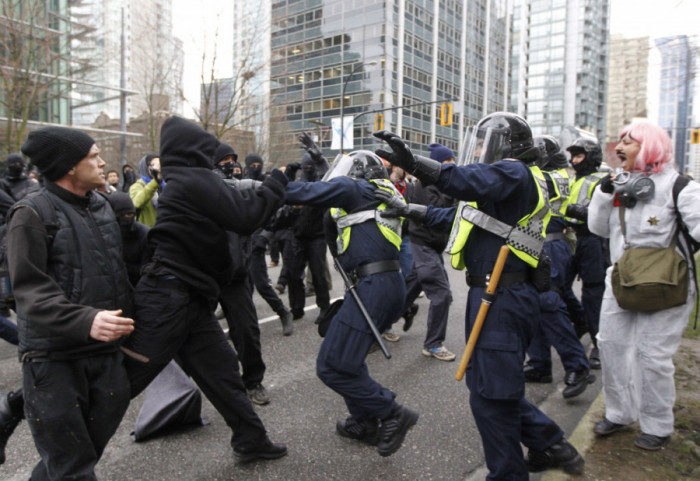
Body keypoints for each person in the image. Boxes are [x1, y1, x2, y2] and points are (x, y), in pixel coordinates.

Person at [374, 112, 584, 478]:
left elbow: (460, 180)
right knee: (490, 386)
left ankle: (509, 473)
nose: (481, 149)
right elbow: (461, 218)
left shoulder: (514, 172)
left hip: (502, 294)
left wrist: (413, 164)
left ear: (507, 145)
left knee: (491, 397)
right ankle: (549, 442)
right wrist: (409, 210)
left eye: (486, 142)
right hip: (494, 291)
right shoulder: (505, 185)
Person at [121, 116, 288, 463]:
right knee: (126, 378)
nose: (217, 161)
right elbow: (246, 216)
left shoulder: (184, 178)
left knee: (222, 368)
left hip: (189, 295)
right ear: (192, 150)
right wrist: (277, 183)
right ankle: (60, 462)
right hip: (169, 297)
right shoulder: (192, 179)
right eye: (207, 150)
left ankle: (251, 440)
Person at [6, 126, 135, 479]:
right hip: (53, 361)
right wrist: (85, 320)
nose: (103, 162)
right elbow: (29, 290)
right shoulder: (30, 214)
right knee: (72, 467)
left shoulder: (104, 206)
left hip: (106, 357)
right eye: (93, 156)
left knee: (73, 462)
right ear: (68, 166)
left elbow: (125, 266)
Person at [285, 149, 419, 457]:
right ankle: (364, 421)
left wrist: (263, 187)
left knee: (331, 365)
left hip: (374, 286)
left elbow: (306, 191)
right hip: (381, 285)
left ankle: (391, 412)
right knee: (350, 357)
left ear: (356, 173)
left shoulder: (356, 188)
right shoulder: (381, 193)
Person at [588, 120, 700, 450]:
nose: (620, 146)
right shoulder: (619, 183)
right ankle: (620, 412)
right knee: (610, 344)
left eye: (629, 141)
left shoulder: (681, 186)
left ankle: (657, 424)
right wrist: (604, 194)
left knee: (652, 356)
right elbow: (599, 229)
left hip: (668, 282)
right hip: (622, 279)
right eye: (620, 140)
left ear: (649, 146)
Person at [524, 136, 594, 399]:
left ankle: (578, 366)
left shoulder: (550, 177)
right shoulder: (549, 174)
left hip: (550, 247)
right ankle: (540, 364)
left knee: (547, 303)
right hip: (540, 244)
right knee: (535, 304)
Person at [398, 142, 456, 361]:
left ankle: (380, 323)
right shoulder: (425, 184)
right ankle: (433, 344)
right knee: (441, 295)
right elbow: (437, 211)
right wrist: (451, 192)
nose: (452, 166)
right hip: (423, 243)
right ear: (438, 164)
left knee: (409, 289)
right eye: (448, 162)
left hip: (432, 246)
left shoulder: (440, 182)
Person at [563, 138, 608, 369]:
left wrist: (564, 208)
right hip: (572, 237)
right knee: (558, 284)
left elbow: (595, 213)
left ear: (590, 157)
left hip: (593, 239)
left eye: (579, 156)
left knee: (592, 293)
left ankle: (598, 343)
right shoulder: (573, 179)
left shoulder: (603, 181)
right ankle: (580, 323)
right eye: (573, 156)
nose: (574, 160)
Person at [129, 154, 163, 227]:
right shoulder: (137, 186)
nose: (157, 167)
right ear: (145, 167)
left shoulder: (165, 184)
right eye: (153, 164)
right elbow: (137, 202)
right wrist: (156, 181)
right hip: (147, 232)